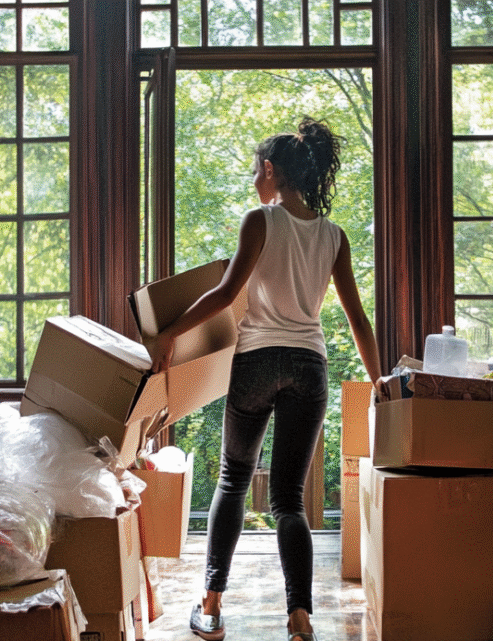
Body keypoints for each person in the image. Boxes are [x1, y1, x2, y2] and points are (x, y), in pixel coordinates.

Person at [147, 117, 383, 641]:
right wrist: (378, 382)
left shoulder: (260, 220)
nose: (255, 180)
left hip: (257, 361)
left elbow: (226, 295)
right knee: (289, 500)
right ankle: (300, 617)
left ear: (272, 171)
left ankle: (210, 606)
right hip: (309, 366)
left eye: (257, 170)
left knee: (233, 481)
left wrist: (168, 334)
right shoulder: (333, 236)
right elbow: (358, 319)